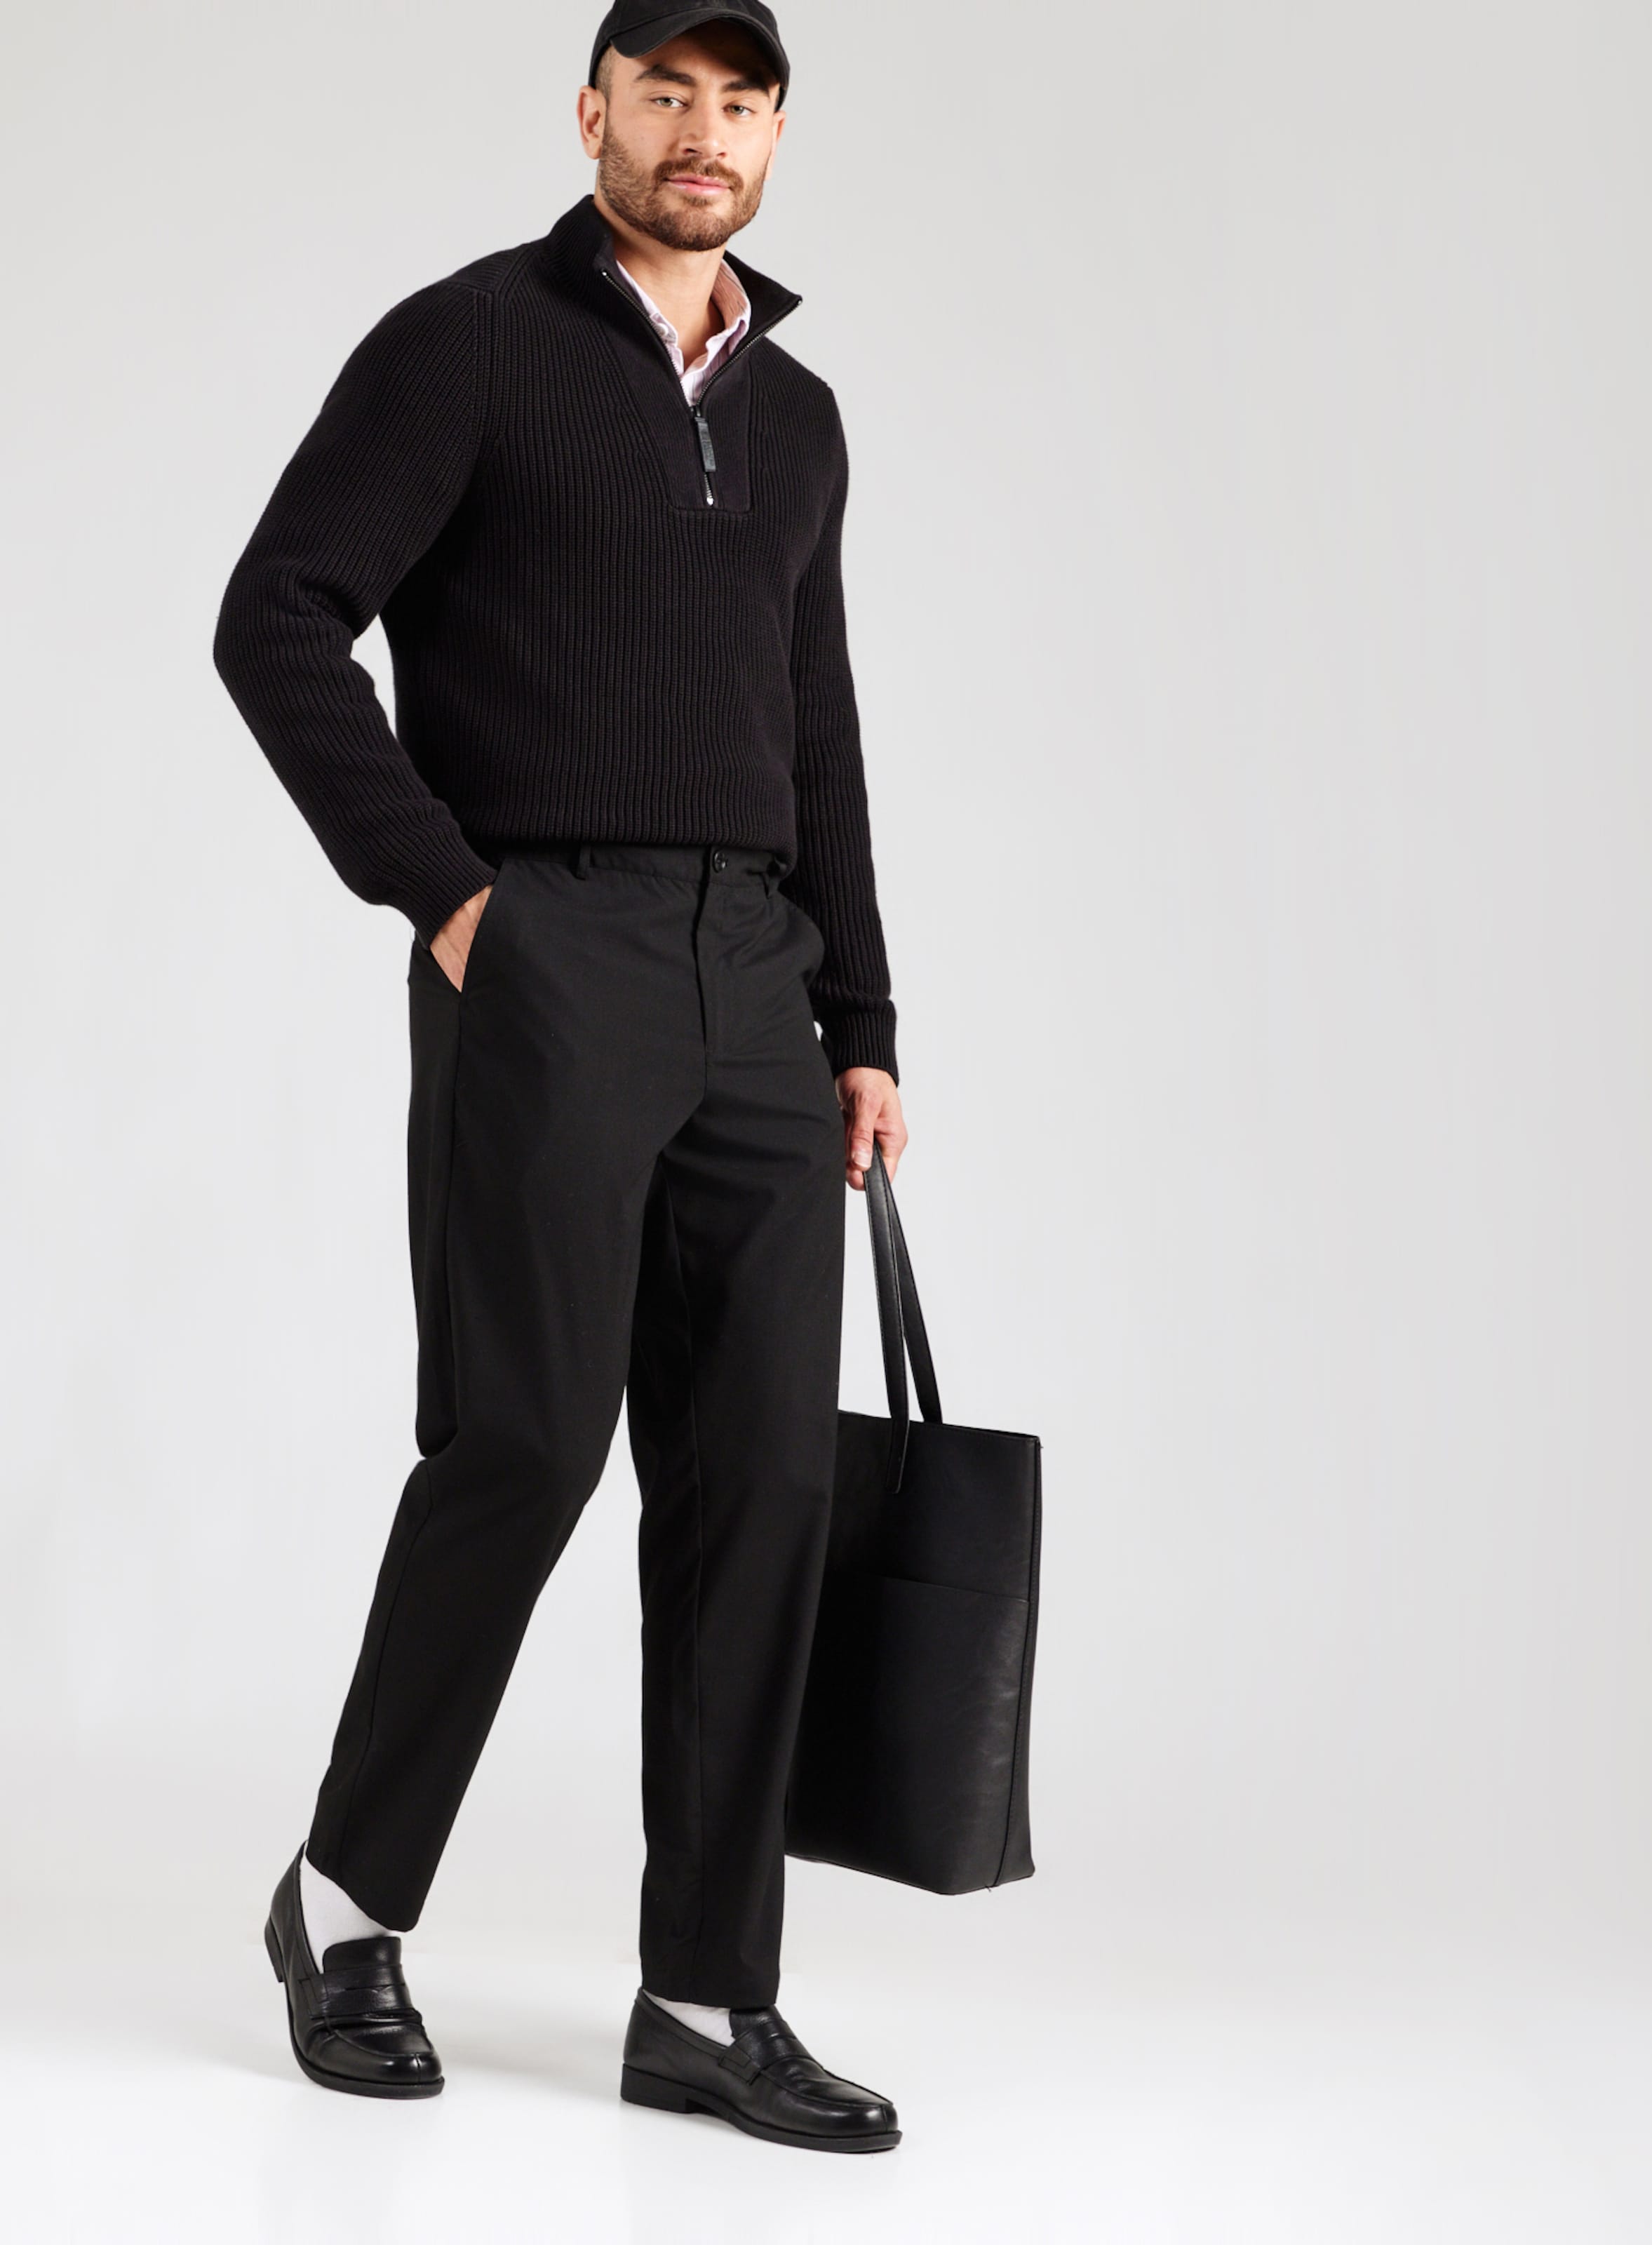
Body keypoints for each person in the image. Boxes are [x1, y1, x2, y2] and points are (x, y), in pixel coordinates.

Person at [214, 0, 906, 2154]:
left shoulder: (797, 414)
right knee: (523, 1443)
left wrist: (866, 1022)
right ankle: (344, 1904)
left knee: (764, 1484)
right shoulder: (472, 347)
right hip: (551, 947)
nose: (705, 134)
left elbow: (820, 720)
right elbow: (277, 615)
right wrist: (450, 899)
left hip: (759, 979)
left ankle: (706, 1996)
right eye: (666, 93)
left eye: (741, 101)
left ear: (776, 133)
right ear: (594, 109)